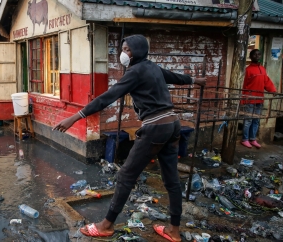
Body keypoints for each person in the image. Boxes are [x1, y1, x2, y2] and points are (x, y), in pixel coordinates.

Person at [53, 35, 206, 242]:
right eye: (123, 49)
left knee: (126, 176)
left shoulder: (135, 72)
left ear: (138, 51)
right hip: (172, 125)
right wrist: (196, 81)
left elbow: (107, 97)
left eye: (127, 49)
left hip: (155, 128)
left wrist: (75, 117)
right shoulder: (152, 67)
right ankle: (174, 230)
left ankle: (106, 225)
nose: (123, 53)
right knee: (172, 181)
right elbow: (174, 76)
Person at [241, 49, 277, 149]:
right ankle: (245, 139)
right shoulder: (248, 70)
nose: (257, 56)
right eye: (255, 54)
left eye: (259, 54)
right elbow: (244, 85)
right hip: (250, 99)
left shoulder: (262, 69)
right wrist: (243, 99)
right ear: (251, 57)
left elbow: (266, 81)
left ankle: (252, 139)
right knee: (248, 120)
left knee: (256, 120)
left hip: (259, 99)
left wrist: (272, 90)